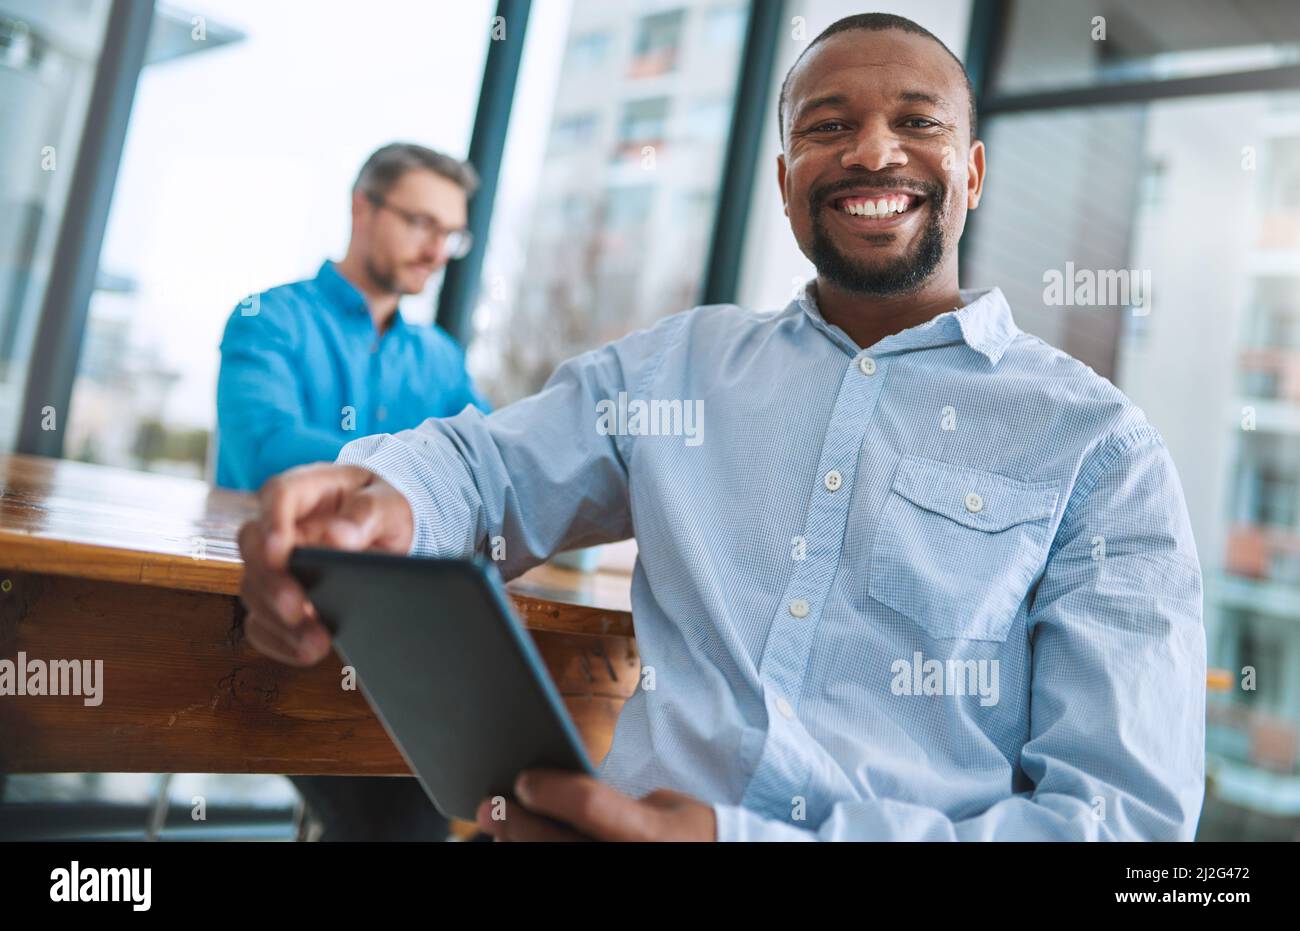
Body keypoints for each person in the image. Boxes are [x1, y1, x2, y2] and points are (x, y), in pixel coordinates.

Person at [236, 14, 1206, 841]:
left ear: (974, 170)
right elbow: (485, 469)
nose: (872, 151)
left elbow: (1122, 824)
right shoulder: (679, 368)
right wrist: (386, 504)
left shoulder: (1101, 450)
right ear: (785, 180)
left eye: (917, 122)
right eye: (830, 126)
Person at [217, 142, 491, 840]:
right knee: (400, 813)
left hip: (396, 629)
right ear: (361, 207)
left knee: (494, 778)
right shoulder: (266, 318)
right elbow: (268, 454)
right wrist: (412, 474)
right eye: (421, 223)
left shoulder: (439, 357)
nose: (437, 250)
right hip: (273, 606)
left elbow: (492, 468)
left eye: (450, 234)